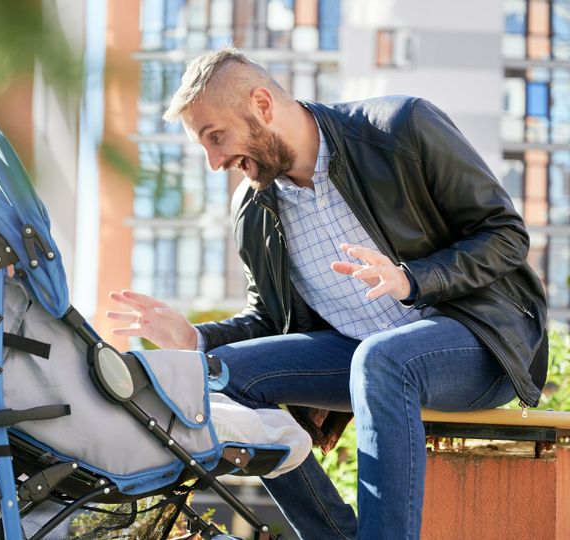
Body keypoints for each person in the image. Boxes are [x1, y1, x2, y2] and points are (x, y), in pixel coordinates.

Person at [107, 47, 548, 540]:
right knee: (221, 377)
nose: (215, 163)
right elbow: (272, 322)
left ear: (262, 104)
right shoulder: (253, 209)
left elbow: (506, 233)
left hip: (480, 341)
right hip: (361, 356)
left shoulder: (401, 129)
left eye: (216, 137)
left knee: (383, 360)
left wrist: (413, 278)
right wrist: (195, 340)